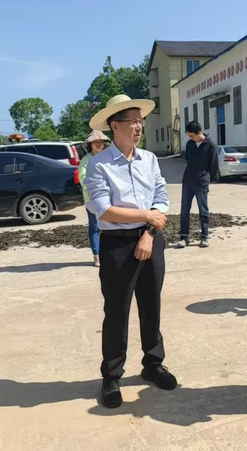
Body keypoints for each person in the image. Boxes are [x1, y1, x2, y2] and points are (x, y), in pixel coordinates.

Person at [84, 94, 177, 409]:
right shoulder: (99, 165)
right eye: (132, 122)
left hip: (151, 239)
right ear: (115, 126)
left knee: (151, 305)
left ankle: (153, 364)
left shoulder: (149, 159)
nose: (139, 127)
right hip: (117, 245)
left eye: (141, 121)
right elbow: (103, 209)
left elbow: (161, 198)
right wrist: (146, 216)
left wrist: (149, 232)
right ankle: (111, 376)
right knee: (117, 311)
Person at [177, 121, 218, 248]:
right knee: (184, 210)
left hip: (201, 182)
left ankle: (204, 237)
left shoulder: (210, 145)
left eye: (191, 135)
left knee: (203, 210)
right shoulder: (190, 144)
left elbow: (214, 165)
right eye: (188, 136)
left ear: (199, 132)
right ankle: (184, 237)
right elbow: (188, 161)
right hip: (188, 181)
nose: (190, 138)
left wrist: (207, 180)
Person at [78, 130, 111, 267]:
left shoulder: (107, 158)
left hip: (108, 199)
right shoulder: (85, 161)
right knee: (94, 227)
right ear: (90, 144)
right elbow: (82, 179)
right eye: (95, 142)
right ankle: (97, 255)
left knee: (109, 226)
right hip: (92, 199)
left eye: (100, 142)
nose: (98, 144)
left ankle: (109, 253)